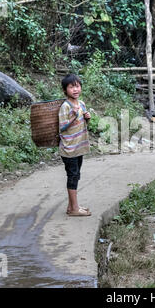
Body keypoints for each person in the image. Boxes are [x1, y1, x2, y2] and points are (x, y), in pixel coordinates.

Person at [59, 74, 92, 216]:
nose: (75, 89)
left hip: (79, 146)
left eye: (77, 86)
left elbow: (82, 123)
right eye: (71, 87)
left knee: (76, 175)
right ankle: (74, 209)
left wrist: (87, 118)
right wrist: (72, 119)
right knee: (72, 176)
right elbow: (62, 127)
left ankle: (72, 206)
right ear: (65, 90)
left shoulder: (82, 104)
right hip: (69, 148)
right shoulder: (65, 107)